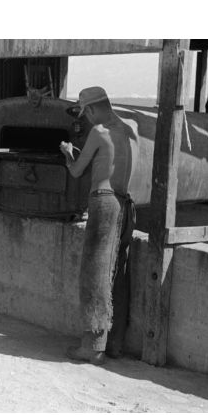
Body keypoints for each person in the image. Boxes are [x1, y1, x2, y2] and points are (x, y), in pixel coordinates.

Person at [60, 86, 139, 365]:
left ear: (91, 110)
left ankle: (92, 346)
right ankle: (114, 344)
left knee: (94, 272)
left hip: (103, 203)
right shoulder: (131, 128)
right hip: (126, 205)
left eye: (86, 113)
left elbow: (76, 170)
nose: (87, 119)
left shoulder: (98, 131)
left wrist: (69, 152)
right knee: (117, 272)